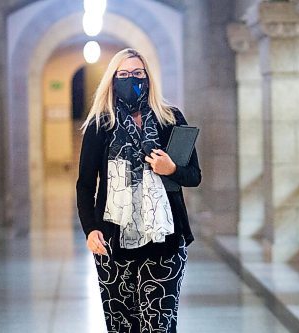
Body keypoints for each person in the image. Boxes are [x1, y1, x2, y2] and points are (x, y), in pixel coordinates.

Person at [76, 48, 201, 333]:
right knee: (122, 326)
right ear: (112, 79)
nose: (130, 79)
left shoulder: (170, 119)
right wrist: (90, 229)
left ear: (148, 78)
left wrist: (171, 169)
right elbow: (85, 184)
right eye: (123, 74)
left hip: (165, 239)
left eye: (137, 74)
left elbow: (193, 176)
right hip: (113, 240)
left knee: (159, 325)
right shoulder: (100, 124)